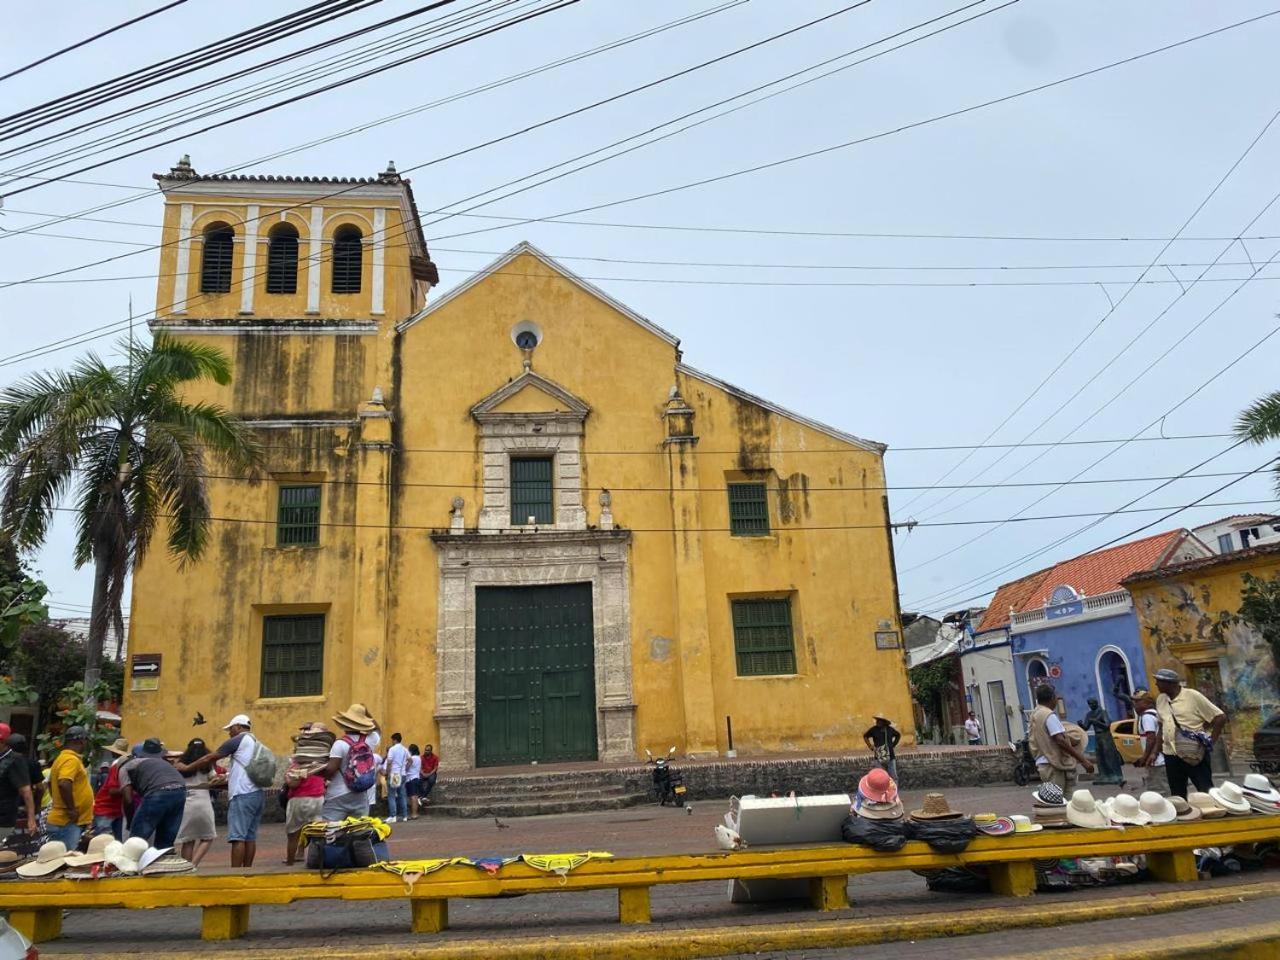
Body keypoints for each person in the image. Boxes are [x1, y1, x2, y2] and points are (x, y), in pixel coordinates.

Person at [177, 714, 265, 867]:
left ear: (238, 726)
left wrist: (187, 767)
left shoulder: (238, 740)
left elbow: (209, 758)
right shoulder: (255, 741)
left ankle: (236, 875)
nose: (229, 733)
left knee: (238, 838)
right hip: (257, 793)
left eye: (230, 729)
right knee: (250, 837)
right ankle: (247, 871)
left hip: (242, 794)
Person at [1151, 667, 1226, 798]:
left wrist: (1210, 742)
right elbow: (1161, 727)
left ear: (1169, 683)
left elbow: (1220, 717)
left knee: (1205, 789)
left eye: (1159, 681)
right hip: (1171, 753)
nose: (1156, 684)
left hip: (1194, 752)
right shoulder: (1161, 699)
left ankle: (1211, 813)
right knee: (1177, 792)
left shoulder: (1192, 696)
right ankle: (1186, 814)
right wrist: (1155, 752)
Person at [120, 738, 187, 849]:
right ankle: (163, 862)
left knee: (136, 841)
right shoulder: (163, 763)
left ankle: (132, 865)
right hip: (180, 790)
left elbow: (128, 800)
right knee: (165, 842)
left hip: (158, 792)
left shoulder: (125, 767)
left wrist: (130, 822)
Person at [1029, 684, 1094, 792]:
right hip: (1053, 765)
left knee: (1055, 800)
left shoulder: (1036, 713)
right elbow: (1060, 740)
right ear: (1052, 698)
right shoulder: (1048, 715)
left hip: (1043, 763)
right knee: (1061, 801)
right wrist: (1083, 761)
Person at [320, 704, 380, 821]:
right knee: (358, 831)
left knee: (328, 832)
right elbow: (377, 730)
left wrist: (316, 771)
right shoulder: (370, 740)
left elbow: (330, 771)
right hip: (361, 794)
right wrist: (366, 713)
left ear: (345, 724)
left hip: (337, 796)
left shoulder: (340, 744)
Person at [283, 723, 330, 866]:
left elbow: (293, 784)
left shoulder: (300, 759)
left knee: (293, 834)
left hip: (299, 799)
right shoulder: (324, 758)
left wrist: (288, 777)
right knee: (319, 833)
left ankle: (290, 861)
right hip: (318, 798)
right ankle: (319, 861)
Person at [46, 725, 93, 850]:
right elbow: (64, 783)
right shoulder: (71, 760)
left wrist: (58, 801)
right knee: (65, 862)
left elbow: (50, 783)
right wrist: (71, 808)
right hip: (66, 822)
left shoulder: (61, 758)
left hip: (65, 821)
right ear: (81, 741)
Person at [174, 739, 217, 867]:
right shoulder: (207, 765)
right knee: (208, 837)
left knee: (188, 839)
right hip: (203, 800)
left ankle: (186, 867)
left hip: (187, 801)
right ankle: (194, 864)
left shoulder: (180, 764)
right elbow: (213, 778)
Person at [0, 723, 36, 843]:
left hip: (3, 818)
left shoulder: (15, 760)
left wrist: (31, 819)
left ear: (4, 742)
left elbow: (26, 791)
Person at [91, 738, 131, 841]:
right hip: (109, 808)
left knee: (103, 841)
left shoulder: (117, 764)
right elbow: (112, 791)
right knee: (110, 841)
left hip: (109, 808)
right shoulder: (120, 765)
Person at [1079, 698, 1124, 785]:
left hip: (1105, 735)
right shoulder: (1089, 714)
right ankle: (1104, 775)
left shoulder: (1102, 712)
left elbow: (1107, 725)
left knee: (1109, 755)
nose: (1091, 706)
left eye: (1092, 704)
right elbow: (1086, 727)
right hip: (1098, 736)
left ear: (1096, 703)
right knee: (1100, 756)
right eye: (1089, 704)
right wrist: (1081, 725)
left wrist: (1096, 722)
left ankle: (1115, 775)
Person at [1130, 688, 1167, 793]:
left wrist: (1145, 757)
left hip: (1156, 761)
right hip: (1161, 759)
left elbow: (1151, 738)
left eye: (1138, 702)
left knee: (1159, 791)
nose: (1135, 705)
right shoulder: (1155, 714)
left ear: (1147, 703)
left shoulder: (1146, 717)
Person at [862, 714, 901, 783]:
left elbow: (898, 735)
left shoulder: (890, 730)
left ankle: (893, 792)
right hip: (878, 756)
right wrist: (870, 746)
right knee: (880, 777)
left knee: (893, 776)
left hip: (890, 756)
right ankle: (881, 792)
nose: (877, 722)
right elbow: (865, 736)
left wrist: (893, 744)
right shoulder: (874, 729)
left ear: (884, 722)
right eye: (877, 720)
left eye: (879, 721)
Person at [383, 733, 409, 823]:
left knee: (391, 795)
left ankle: (393, 815)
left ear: (394, 740)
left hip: (394, 774)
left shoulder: (392, 749)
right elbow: (410, 760)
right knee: (402, 795)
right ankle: (405, 816)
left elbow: (389, 762)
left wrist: (387, 773)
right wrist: (406, 768)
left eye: (392, 740)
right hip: (403, 774)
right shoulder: (405, 749)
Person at [405, 744, 422, 820]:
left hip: (411, 779)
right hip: (416, 778)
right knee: (414, 796)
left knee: (413, 797)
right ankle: (414, 813)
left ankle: (414, 814)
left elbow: (407, 767)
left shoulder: (413, 758)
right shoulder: (418, 758)